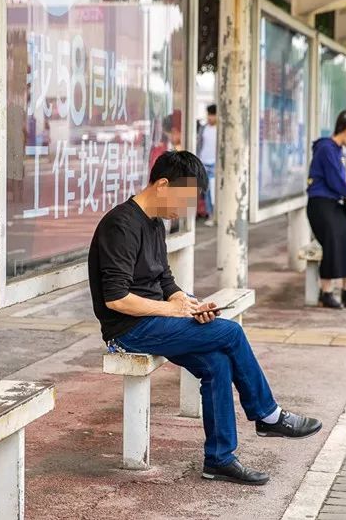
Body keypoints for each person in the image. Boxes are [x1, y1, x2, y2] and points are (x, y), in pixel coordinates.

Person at [88, 151, 322, 486]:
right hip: (129, 330)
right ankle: (268, 415)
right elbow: (117, 298)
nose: (186, 209)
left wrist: (188, 302)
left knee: (216, 363)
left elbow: (164, 280)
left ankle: (219, 460)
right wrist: (172, 309)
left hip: (156, 322)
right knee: (230, 334)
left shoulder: (154, 223)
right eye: (185, 199)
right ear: (163, 184)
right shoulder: (121, 225)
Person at [306, 110, 346, 310]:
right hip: (321, 204)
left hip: (333, 205)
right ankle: (326, 293)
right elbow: (335, 181)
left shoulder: (336, 150)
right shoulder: (326, 148)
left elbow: (339, 180)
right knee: (332, 247)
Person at [196, 104, 217, 226]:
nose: (210, 117)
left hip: (215, 163)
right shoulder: (204, 128)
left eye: (212, 115)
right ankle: (210, 214)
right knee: (207, 190)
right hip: (204, 161)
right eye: (209, 114)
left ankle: (215, 214)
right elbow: (199, 144)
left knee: (213, 190)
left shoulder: (220, 130)